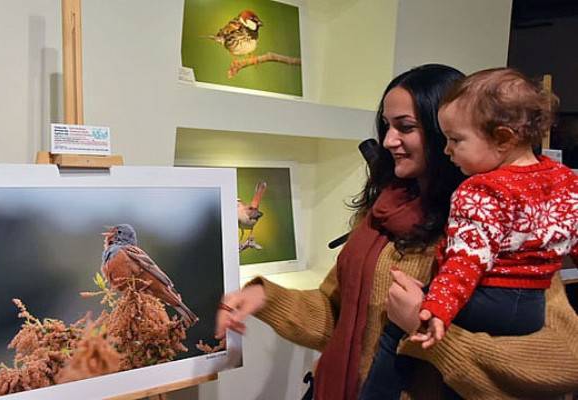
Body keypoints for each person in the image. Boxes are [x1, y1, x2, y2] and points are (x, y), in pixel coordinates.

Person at [215, 64, 578, 399]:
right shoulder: (382, 213)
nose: (388, 141)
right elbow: (341, 318)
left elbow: (564, 359)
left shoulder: (498, 227)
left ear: (442, 133)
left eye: (405, 127)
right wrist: (265, 299)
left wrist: (430, 332)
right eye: (386, 126)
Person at [361, 67, 578, 399]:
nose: (448, 150)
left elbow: (465, 263)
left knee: (398, 333)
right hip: (531, 308)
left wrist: (435, 310)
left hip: (492, 299)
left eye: (456, 140)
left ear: (503, 138)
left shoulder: (479, 190)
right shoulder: (565, 180)